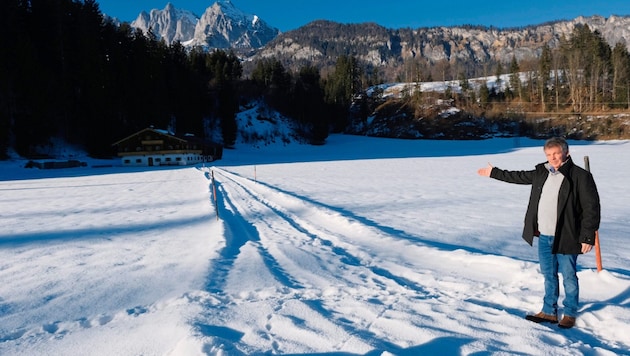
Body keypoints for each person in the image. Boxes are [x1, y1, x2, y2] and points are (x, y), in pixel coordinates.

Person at [477, 137, 600, 329]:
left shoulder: (579, 176)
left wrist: (587, 236)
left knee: (569, 275)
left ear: (566, 153)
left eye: (556, 154)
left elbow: (591, 208)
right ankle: (549, 311)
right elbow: (518, 176)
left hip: (567, 235)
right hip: (544, 235)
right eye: (549, 155)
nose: (553, 158)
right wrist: (494, 173)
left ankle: (569, 313)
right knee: (548, 274)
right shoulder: (542, 172)